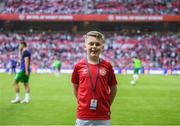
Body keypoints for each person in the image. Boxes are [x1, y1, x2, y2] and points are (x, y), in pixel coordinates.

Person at [71, 31, 117, 126]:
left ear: (102, 47)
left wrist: (107, 104)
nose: (94, 46)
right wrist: (82, 102)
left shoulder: (107, 66)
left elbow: (113, 88)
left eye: (97, 44)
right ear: (85, 46)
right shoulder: (78, 66)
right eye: (91, 44)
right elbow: (75, 87)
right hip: (83, 114)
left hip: (103, 114)